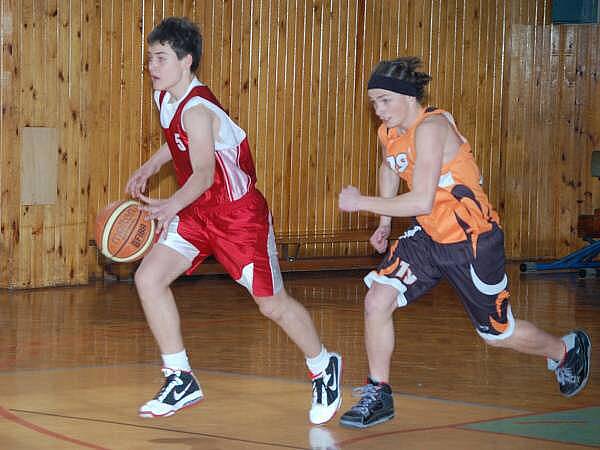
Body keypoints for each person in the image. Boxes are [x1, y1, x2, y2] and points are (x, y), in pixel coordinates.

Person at [337, 57, 592, 429]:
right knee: (377, 297)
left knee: (497, 334)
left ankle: (565, 351)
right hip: (429, 235)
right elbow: (390, 165)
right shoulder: (391, 131)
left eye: (385, 101)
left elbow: (421, 200)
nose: (378, 110)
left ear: (409, 97)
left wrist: (360, 203)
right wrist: (385, 221)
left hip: (471, 240)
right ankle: (379, 392)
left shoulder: (432, 128)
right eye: (374, 102)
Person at [125, 17, 341, 424]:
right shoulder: (167, 98)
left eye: (161, 58)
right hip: (197, 211)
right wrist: (150, 167)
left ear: (186, 61)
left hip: (236, 215)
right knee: (148, 278)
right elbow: (177, 143)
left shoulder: (198, 109)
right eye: (150, 57)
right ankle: (179, 376)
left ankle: (322, 364)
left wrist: (169, 204)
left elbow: (205, 172)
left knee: (271, 304)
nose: (152, 66)